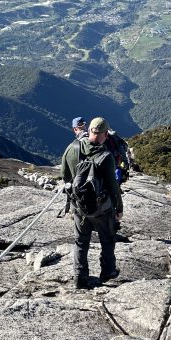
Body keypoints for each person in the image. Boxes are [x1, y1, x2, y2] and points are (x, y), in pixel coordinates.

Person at [61, 116, 123, 288]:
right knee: (107, 240)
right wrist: (119, 208)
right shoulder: (106, 156)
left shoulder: (72, 148)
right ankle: (108, 271)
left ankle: (79, 276)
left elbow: (64, 175)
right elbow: (113, 186)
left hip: (79, 207)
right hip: (101, 209)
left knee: (81, 241)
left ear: (89, 132)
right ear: (104, 134)